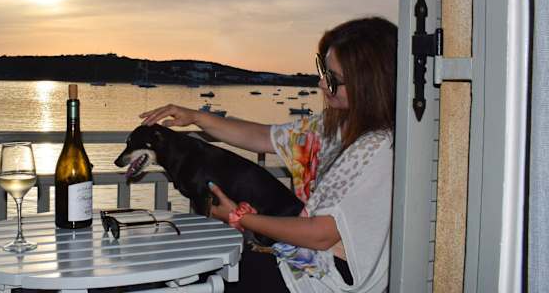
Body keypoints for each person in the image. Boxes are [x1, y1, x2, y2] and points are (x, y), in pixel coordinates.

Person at [139, 17, 397, 292]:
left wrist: (240, 217)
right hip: (304, 261)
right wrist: (196, 117)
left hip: (328, 279)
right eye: (323, 70)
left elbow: (321, 234)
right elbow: (263, 137)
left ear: (368, 85)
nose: (322, 83)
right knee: (194, 268)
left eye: (333, 79)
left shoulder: (377, 148)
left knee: (199, 277)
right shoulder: (336, 125)